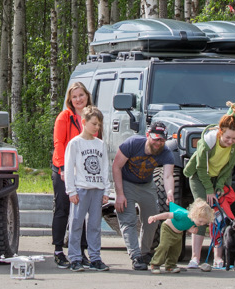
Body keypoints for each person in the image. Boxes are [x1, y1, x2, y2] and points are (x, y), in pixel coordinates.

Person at [182, 100, 235, 270]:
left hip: (217, 178)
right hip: (199, 177)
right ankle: (195, 257)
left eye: (234, 138)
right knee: (203, 211)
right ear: (220, 132)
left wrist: (218, 188)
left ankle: (218, 258)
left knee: (218, 215)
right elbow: (200, 168)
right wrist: (209, 191)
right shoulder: (208, 141)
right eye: (228, 137)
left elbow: (228, 168)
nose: (231, 141)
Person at [112, 120, 176, 271]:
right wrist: (119, 194)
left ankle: (145, 252)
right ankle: (135, 256)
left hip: (147, 185)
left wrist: (170, 192)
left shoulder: (166, 152)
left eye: (162, 140)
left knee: (152, 219)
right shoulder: (133, 143)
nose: (158, 143)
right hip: (126, 182)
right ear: (148, 135)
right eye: (155, 138)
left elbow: (168, 176)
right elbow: (116, 166)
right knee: (128, 220)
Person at [64, 105, 111, 272]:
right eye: (94, 124)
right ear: (84, 122)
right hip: (81, 188)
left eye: (99, 124)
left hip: (97, 189)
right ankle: (75, 257)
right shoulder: (75, 143)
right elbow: (69, 168)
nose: (97, 127)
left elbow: (105, 167)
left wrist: (106, 190)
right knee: (76, 223)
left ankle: (95, 257)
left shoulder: (100, 144)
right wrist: (71, 191)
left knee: (95, 225)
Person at [51, 82, 92, 269]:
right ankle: (59, 250)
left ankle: (80, 251)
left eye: (81, 95)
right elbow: (59, 143)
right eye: (74, 96)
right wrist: (61, 169)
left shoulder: (92, 116)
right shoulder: (64, 117)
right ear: (70, 99)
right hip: (63, 168)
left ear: (87, 96)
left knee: (81, 212)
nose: (78, 99)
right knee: (63, 209)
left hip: (83, 170)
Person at [146, 199, 214, 274]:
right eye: (200, 221)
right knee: (164, 246)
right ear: (194, 215)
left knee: (176, 249)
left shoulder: (195, 222)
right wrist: (155, 217)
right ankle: (155, 264)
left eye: (204, 223)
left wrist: (190, 230)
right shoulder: (182, 214)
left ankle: (170, 265)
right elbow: (168, 215)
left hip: (178, 233)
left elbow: (186, 225)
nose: (201, 224)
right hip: (168, 229)